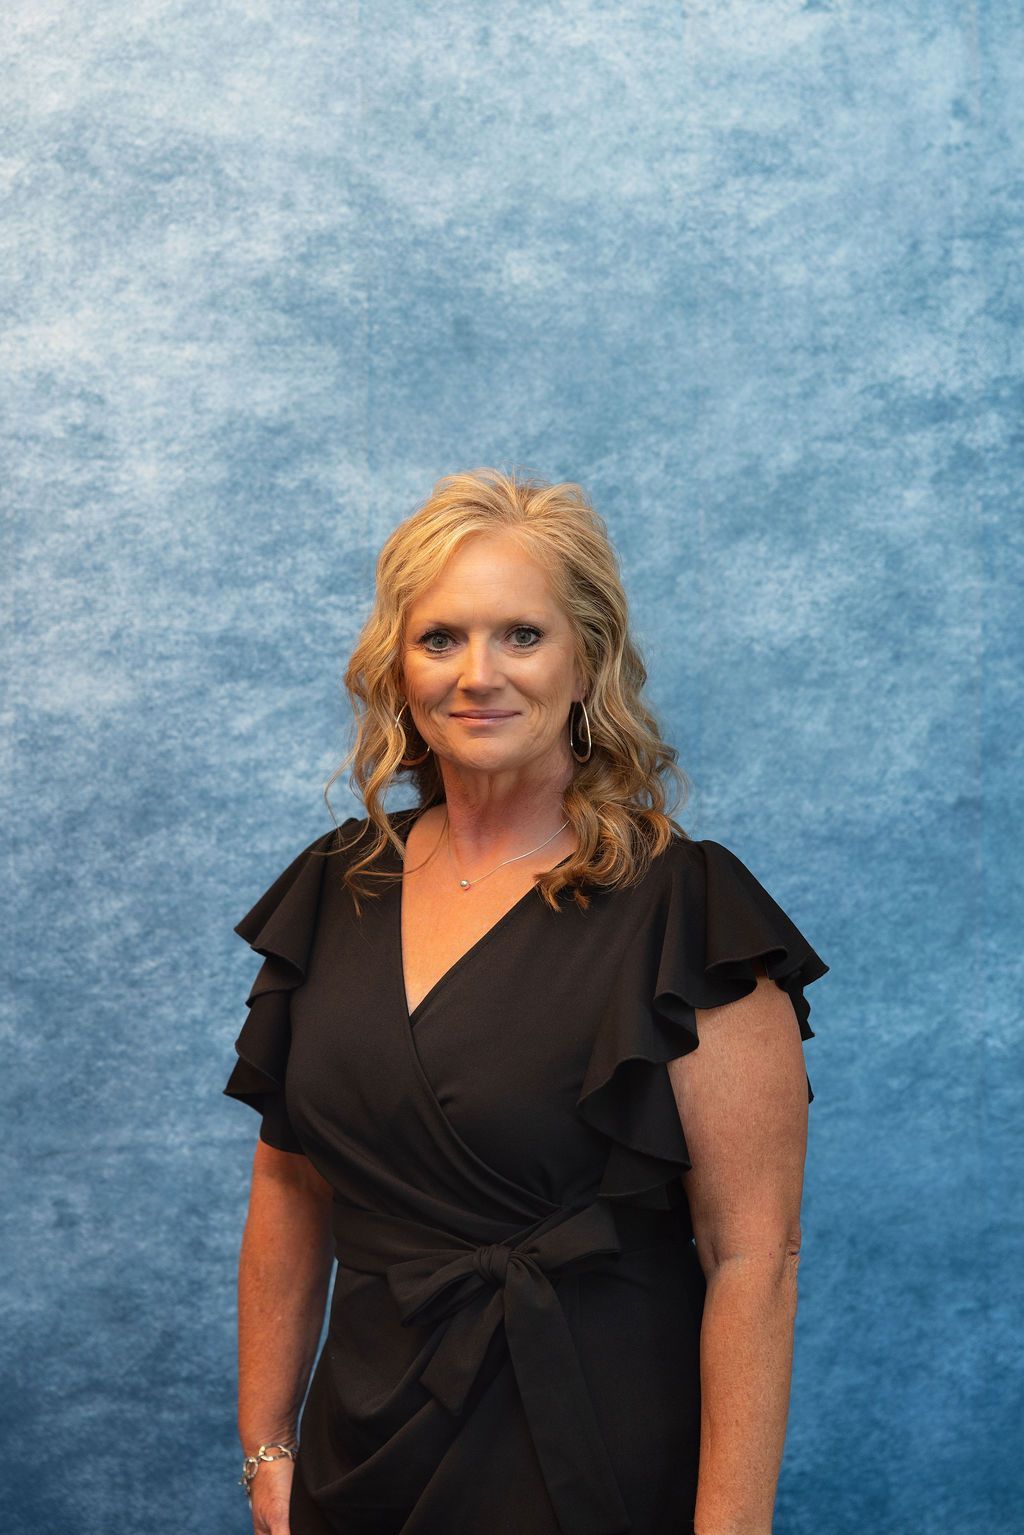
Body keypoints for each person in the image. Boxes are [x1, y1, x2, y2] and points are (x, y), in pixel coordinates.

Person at [223, 468, 829, 1535]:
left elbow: (753, 1256)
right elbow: (290, 1179)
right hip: (359, 1448)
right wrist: (267, 1444)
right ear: (397, 666)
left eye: (522, 635)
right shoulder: (334, 884)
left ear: (586, 659)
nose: (478, 674)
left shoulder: (686, 910)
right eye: (440, 638)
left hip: (590, 1440)